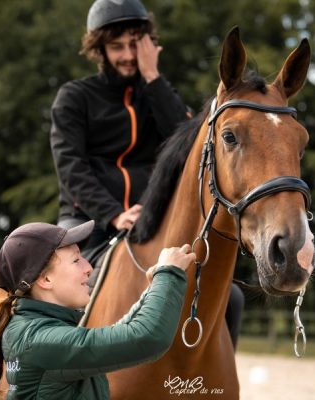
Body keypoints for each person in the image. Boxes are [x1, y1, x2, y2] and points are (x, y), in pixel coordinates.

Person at [50, 0, 244, 349]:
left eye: (134, 45)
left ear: (149, 45)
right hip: (86, 223)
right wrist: (112, 214)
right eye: (116, 46)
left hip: (151, 224)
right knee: (55, 286)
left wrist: (153, 78)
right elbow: (70, 167)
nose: (127, 55)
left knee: (231, 298)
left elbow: (191, 147)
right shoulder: (74, 97)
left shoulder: (155, 95)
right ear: (99, 49)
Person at [0, 220, 195, 398]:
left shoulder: (34, 330)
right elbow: (146, 337)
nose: (88, 268)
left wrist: (152, 290)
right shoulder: (41, 341)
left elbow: (122, 331)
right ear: (45, 279)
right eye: (76, 260)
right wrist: (168, 273)